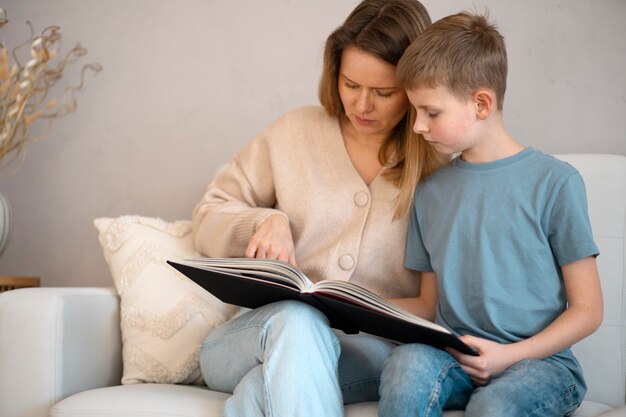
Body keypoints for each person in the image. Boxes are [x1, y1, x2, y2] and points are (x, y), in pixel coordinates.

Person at [191, 1, 445, 416]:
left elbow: (440, 304)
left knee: (263, 388)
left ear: (418, 89)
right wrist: (265, 220)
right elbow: (206, 215)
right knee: (297, 321)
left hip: (366, 355)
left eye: (384, 93)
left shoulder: (436, 167)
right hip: (250, 339)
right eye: (350, 84)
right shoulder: (294, 132)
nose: (362, 106)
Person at [377, 11, 604, 417]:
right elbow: (429, 304)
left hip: (542, 365)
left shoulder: (555, 183)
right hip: (456, 358)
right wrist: (353, 302)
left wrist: (509, 355)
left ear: (481, 103)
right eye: (415, 111)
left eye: (431, 112)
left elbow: (588, 310)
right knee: (406, 366)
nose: (416, 126)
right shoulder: (429, 193)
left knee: (494, 407)